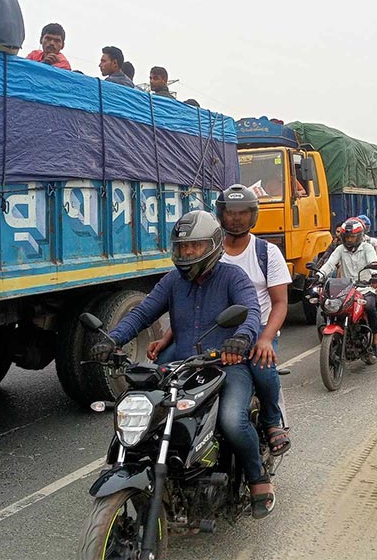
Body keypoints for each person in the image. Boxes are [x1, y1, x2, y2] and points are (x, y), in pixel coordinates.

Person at [99, 210, 275, 518]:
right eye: (182, 248)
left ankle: (258, 478)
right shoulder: (171, 282)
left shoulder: (233, 277)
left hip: (226, 365)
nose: (187, 253)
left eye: (194, 247)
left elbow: (249, 312)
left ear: (212, 246)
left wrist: (240, 341)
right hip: (182, 366)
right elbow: (143, 313)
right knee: (148, 411)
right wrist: (113, 339)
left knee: (232, 421)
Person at [152, 186, 292, 456]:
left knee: (262, 365)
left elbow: (280, 303)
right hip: (212, 327)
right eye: (230, 213)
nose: (236, 219)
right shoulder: (207, 247)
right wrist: (169, 336)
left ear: (253, 216)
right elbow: (191, 302)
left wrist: (264, 338)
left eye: (243, 213)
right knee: (164, 367)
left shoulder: (267, 252)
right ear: (220, 215)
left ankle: (273, 422)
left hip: (257, 325)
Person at [317, 218, 377, 358]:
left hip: (365, 287)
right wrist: (318, 276)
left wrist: (375, 276)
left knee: (370, 306)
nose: (350, 240)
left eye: (353, 237)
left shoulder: (367, 247)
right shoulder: (340, 249)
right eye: (347, 237)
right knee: (332, 307)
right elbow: (329, 264)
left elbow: (373, 262)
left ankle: (376, 339)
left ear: (359, 236)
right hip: (346, 288)